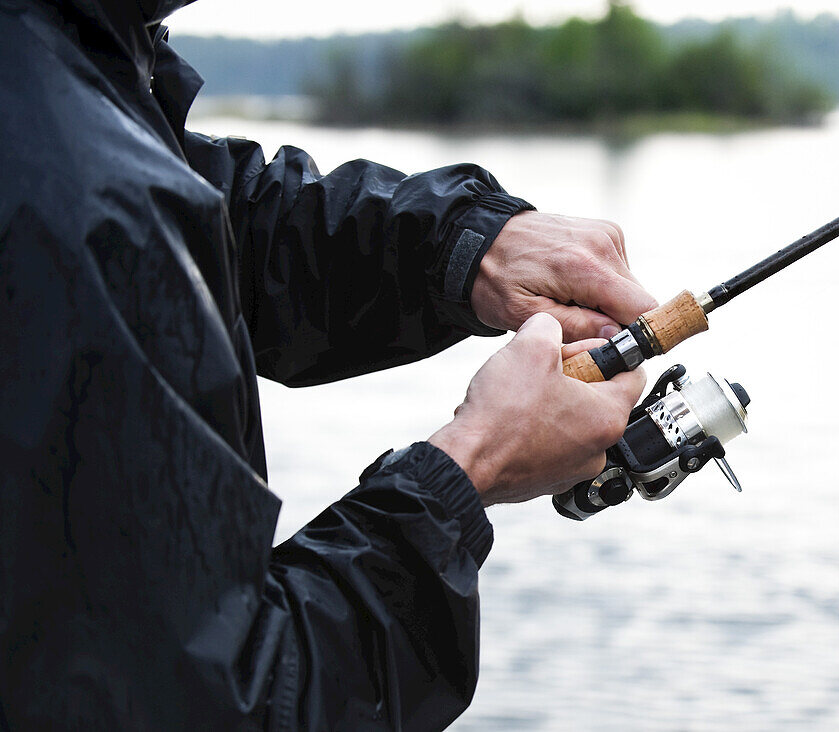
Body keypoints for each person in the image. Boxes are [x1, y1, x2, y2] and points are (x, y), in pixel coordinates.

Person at [0, 0, 657, 729]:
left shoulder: (51, 63)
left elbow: (192, 205)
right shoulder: (71, 207)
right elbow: (211, 708)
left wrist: (461, 245)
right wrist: (471, 469)